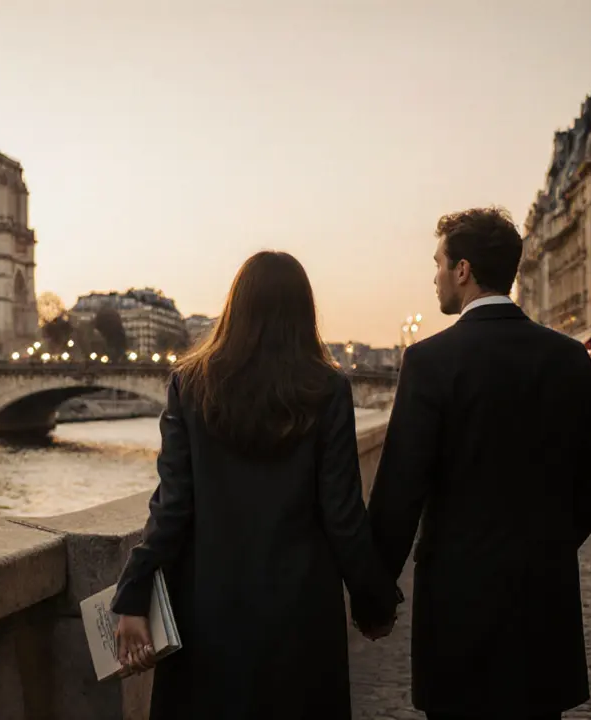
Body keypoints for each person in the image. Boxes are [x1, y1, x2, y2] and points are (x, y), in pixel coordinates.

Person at [109, 251, 400, 720]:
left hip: (207, 610)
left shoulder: (190, 385)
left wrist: (133, 594)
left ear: (234, 308)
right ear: (304, 314)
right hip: (300, 616)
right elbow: (343, 514)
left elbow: (171, 507)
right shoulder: (328, 390)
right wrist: (373, 603)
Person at [361, 207, 591, 720]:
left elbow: (400, 493)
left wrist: (374, 596)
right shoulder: (569, 358)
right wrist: (549, 546)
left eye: (438, 263)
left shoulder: (429, 361)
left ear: (463, 270)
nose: (434, 276)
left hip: (457, 603)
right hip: (543, 601)